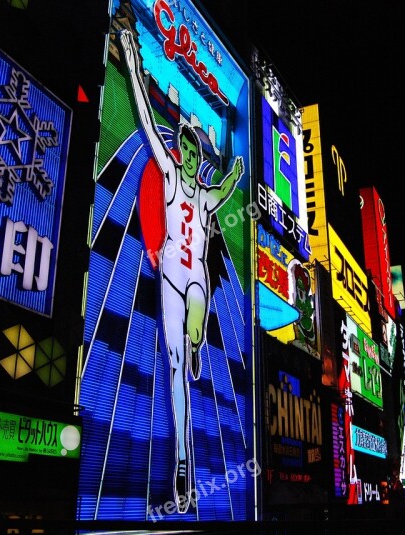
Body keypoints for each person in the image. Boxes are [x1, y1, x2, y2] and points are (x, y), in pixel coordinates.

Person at [119, 29, 244, 513]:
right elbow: (149, 124)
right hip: (170, 278)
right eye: (186, 151)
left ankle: (195, 341)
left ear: (200, 160)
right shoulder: (171, 177)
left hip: (195, 283)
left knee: (196, 311)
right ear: (181, 154)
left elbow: (226, 190)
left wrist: (234, 175)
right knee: (176, 372)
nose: (190, 158)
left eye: (195, 154)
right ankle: (182, 467)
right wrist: (132, 60)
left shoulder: (205, 196)